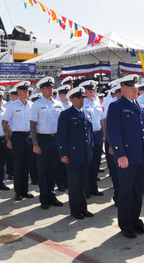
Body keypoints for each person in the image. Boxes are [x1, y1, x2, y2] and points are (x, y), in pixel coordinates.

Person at [106, 74, 144, 239]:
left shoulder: (141, 106)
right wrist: (120, 154)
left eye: (136, 87)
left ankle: (135, 220)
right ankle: (125, 224)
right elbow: (113, 133)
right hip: (127, 159)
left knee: (137, 191)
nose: (136, 90)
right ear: (124, 89)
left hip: (142, 157)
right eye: (132, 87)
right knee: (126, 192)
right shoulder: (116, 106)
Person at [57, 86, 94, 219]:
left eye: (82, 97)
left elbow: (89, 134)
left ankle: (83, 208)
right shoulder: (66, 114)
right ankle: (75, 210)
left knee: (83, 183)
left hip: (85, 154)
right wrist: (63, 154)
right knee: (74, 184)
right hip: (73, 155)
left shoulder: (86, 113)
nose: (81, 100)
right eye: (78, 97)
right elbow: (61, 136)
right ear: (71, 99)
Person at [30, 77, 65, 209]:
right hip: (43, 139)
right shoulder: (37, 104)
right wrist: (35, 144)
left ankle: (52, 195)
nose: (51, 89)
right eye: (48, 88)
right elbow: (32, 125)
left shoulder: (58, 103)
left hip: (56, 139)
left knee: (54, 170)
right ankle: (44, 198)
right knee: (43, 170)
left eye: (52, 87)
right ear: (42, 89)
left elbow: (62, 123)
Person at [2, 81, 34, 200]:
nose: (26, 93)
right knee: (18, 165)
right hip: (17, 137)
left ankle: (25, 190)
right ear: (19, 92)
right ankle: (18, 191)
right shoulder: (12, 106)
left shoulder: (32, 105)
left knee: (26, 166)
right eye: (23, 91)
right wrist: (8, 139)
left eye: (27, 91)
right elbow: (4, 123)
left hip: (29, 137)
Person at [79, 80, 106, 198]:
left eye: (94, 89)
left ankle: (94, 187)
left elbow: (102, 119)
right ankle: (86, 189)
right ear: (84, 91)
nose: (92, 92)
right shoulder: (80, 102)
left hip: (97, 134)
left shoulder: (96, 101)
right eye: (89, 89)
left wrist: (104, 134)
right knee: (87, 164)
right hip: (87, 136)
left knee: (96, 163)